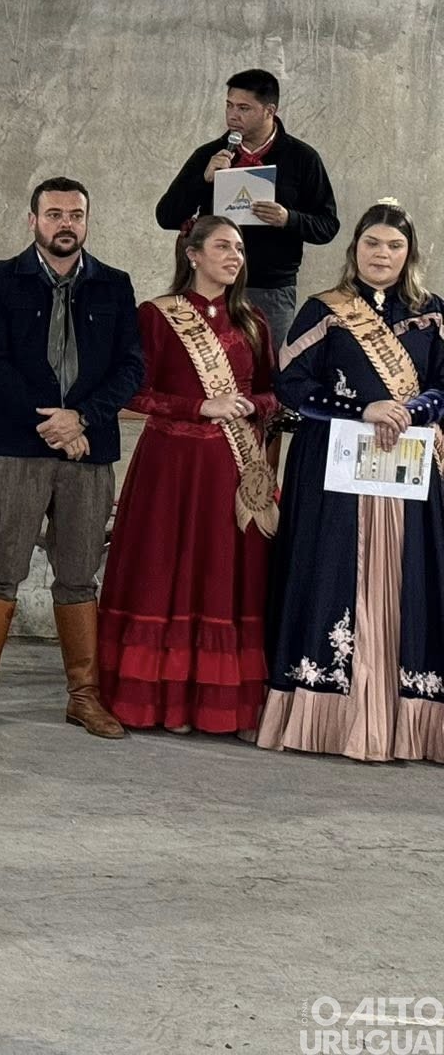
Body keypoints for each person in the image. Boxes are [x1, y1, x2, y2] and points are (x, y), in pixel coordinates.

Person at [0, 177, 144, 738]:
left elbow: (131, 369)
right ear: (31, 219)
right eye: (54, 213)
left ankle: (84, 697)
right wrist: (55, 425)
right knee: (2, 569)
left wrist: (82, 419)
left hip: (90, 452)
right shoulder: (1, 279)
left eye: (76, 214)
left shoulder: (114, 285)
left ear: (88, 221)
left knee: (79, 575)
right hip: (17, 450)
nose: (66, 223)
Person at [257, 201, 444, 764]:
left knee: (408, 577)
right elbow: (290, 384)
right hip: (334, 470)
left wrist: (413, 409)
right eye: (371, 244)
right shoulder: (324, 309)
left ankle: (408, 720)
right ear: (354, 249)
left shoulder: (432, 314)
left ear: (408, 253)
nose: (381, 255)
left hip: (408, 469)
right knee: (332, 571)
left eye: (393, 246)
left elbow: (443, 387)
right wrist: (363, 407)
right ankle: (324, 715)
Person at [96, 217, 278, 735]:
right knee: (165, 571)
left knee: (225, 578)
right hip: (172, 469)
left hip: (233, 472)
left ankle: (222, 703)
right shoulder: (156, 316)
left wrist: (249, 404)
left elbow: (273, 392)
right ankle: (163, 700)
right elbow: (135, 391)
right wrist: (201, 405)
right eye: (223, 246)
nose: (235, 256)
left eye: (240, 248)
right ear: (193, 254)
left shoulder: (253, 321)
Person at [154, 68, 339, 351]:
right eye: (229, 105)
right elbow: (166, 216)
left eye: (244, 108)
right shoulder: (211, 154)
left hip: (271, 290)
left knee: (268, 373)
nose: (233, 115)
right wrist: (203, 181)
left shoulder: (301, 158)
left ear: (269, 111)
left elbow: (327, 225)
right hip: (211, 285)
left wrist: (288, 218)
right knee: (206, 368)